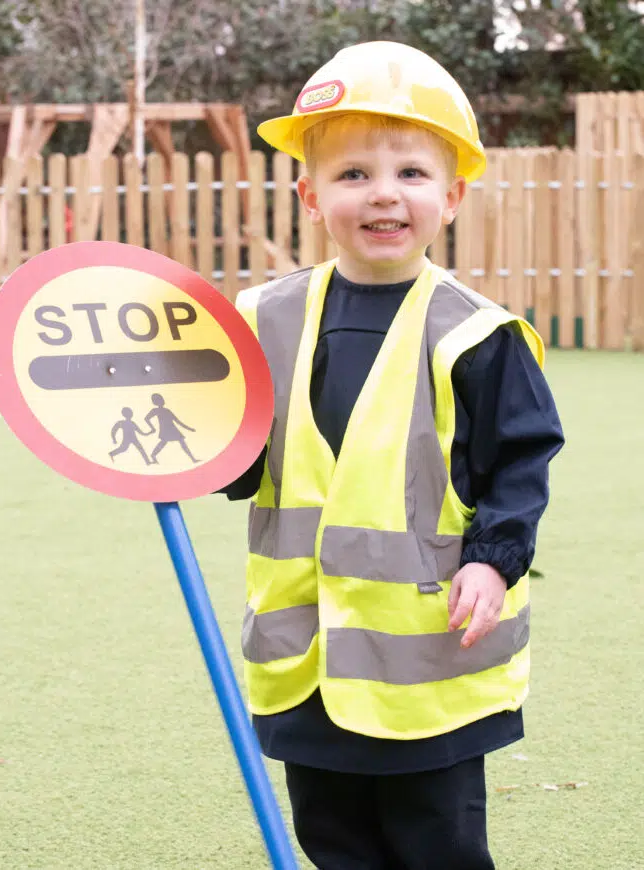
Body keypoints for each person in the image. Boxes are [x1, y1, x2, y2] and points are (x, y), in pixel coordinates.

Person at [220, 41, 564, 869]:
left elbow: (520, 461)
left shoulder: (478, 334)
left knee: (436, 845)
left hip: (427, 664)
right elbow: (236, 451)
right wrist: (177, 460)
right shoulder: (263, 318)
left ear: (452, 195)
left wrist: (493, 561)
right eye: (353, 175)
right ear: (310, 194)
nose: (384, 193)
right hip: (306, 658)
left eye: (411, 173)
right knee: (334, 841)